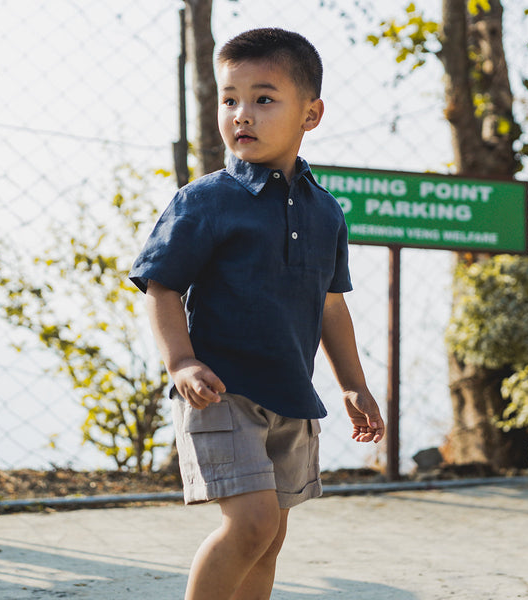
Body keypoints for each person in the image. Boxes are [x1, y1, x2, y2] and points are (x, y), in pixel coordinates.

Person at [129, 27, 384, 600]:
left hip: (292, 396)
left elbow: (331, 306)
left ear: (310, 114)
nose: (241, 114)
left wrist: (353, 385)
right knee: (250, 524)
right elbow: (161, 286)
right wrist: (182, 363)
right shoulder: (205, 200)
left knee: (270, 539)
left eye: (263, 99)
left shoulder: (327, 212)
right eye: (229, 99)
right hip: (221, 392)